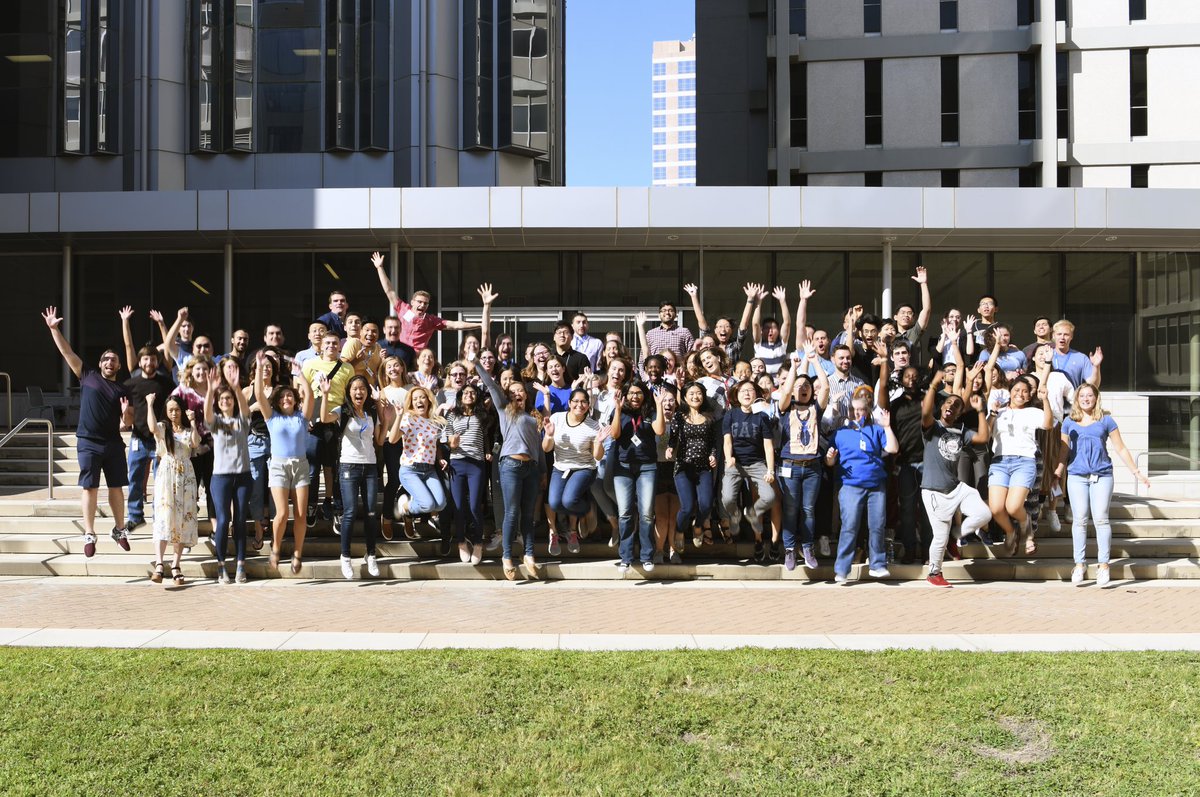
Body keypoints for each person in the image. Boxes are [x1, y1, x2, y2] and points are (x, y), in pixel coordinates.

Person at [42, 306, 134, 558]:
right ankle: (90, 533)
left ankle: (119, 529)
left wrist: (126, 415)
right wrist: (54, 329)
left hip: (113, 443)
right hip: (88, 442)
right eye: (106, 359)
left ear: (118, 366)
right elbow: (66, 351)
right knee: (89, 488)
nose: (110, 362)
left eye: (114, 360)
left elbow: (127, 422)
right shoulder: (87, 375)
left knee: (117, 487)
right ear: (100, 363)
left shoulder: (123, 391)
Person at [1060, 385, 1150, 587]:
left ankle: (1103, 565)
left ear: (1096, 397)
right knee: (1080, 519)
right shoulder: (1068, 422)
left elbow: (1120, 447)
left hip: (1102, 475)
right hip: (1076, 476)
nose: (1086, 399)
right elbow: (1063, 451)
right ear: (1076, 399)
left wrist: (1136, 472)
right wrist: (1058, 471)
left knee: (1101, 518)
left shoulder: (1106, 419)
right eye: (1082, 396)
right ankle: (1080, 564)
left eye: (1090, 395)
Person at [476, 356, 546, 580]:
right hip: (511, 465)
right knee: (512, 511)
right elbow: (490, 383)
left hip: (531, 467)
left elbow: (539, 448)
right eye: (513, 390)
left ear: (526, 394)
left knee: (528, 515)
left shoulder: (534, 418)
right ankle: (507, 556)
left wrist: (542, 470)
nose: (517, 393)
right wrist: (476, 362)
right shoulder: (505, 411)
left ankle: (529, 555)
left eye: (521, 390)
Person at [919, 374, 992, 587]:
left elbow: (983, 438)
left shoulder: (961, 431)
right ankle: (934, 573)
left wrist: (980, 410)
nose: (952, 405)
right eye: (948, 402)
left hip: (955, 487)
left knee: (984, 513)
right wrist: (933, 385)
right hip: (934, 491)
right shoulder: (933, 427)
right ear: (942, 408)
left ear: (960, 412)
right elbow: (925, 413)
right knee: (939, 537)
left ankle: (958, 533)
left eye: (957, 404)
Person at [317, 373, 390, 580]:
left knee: (370, 513)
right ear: (349, 392)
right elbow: (323, 418)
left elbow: (380, 440)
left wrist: (385, 416)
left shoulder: (371, 413)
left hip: (370, 467)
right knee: (349, 512)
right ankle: (345, 556)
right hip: (349, 466)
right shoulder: (343, 411)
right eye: (355, 389)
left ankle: (371, 554)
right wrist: (325, 394)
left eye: (363, 389)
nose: (359, 392)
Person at [827, 389, 899, 584]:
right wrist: (830, 459)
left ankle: (877, 565)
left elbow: (892, 448)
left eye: (860, 410)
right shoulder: (840, 433)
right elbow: (830, 462)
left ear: (867, 411)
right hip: (850, 485)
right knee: (849, 527)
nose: (857, 413)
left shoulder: (875, 430)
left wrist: (887, 426)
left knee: (877, 526)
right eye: (853, 409)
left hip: (876, 485)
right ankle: (842, 569)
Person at [255, 354, 314, 574]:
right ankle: (276, 548)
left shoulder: (302, 417)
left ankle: (298, 553)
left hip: (300, 466)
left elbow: (310, 396)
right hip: (279, 466)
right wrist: (261, 369)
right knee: (281, 514)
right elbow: (259, 395)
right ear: (278, 402)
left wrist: (300, 373)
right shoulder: (272, 417)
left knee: (300, 515)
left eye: (290, 395)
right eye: (283, 397)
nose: (287, 399)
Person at [776, 349, 830, 572]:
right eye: (799, 386)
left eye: (806, 386)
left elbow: (825, 387)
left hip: (812, 468)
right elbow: (787, 390)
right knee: (790, 509)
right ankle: (789, 549)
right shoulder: (785, 407)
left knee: (808, 509)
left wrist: (814, 360)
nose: (803, 388)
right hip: (789, 465)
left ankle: (807, 548)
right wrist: (795, 368)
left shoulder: (816, 408)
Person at [988, 376, 1054, 555]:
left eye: (1025, 391)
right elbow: (986, 433)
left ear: (1029, 395)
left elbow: (1048, 424)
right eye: (1016, 390)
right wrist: (992, 414)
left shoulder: (1032, 411)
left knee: (1013, 506)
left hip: (1024, 461)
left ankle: (1027, 526)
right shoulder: (998, 411)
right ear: (1010, 392)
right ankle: (1010, 532)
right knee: (995, 508)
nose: (1020, 394)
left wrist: (1045, 399)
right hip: (999, 462)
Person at [370, 252, 491, 350]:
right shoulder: (403, 309)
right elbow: (389, 291)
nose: (422, 305)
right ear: (412, 302)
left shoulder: (431, 320)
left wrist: (480, 324)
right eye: (420, 302)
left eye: (425, 303)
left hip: (418, 360)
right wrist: (379, 267)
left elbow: (453, 325)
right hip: (401, 353)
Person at [610, 382, 668, 573]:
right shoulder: (619, 411)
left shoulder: (650, 411)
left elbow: (659, 430)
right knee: (625, 513)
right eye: (631, 393)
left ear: (644, 395)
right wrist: (617, 410)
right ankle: (625, 557)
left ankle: (646, 556)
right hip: (623, 468)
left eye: (639, 393)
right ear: (625, 395)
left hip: (647, 467)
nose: (635, 396)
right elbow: (614, 434)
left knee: (645, 514)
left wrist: (659, 405)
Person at [203, 364, 253, 584]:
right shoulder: (216, 423)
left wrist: (235, 386)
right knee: (223, 520)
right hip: (221, 477)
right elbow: (206, 414)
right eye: (222, 399)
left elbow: (246, 409)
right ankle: (221, 566)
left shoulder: (241, 422)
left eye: (228, 399)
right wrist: (210, 391)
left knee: (240, 520)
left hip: (242, 475)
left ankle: (241, 564)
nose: (225, 402)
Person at [121, 340, 175, 533]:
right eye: (145, 359)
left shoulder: (166, 383)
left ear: (157, 361)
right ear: (140, 361)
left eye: (152, 359)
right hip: (138, 438)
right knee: (134, 478)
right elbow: (126, 413)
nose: (149, 362)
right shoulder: (130, 384)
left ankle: (159, 516)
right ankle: (135, 517)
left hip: (161, 439)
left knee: (161, 481)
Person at [543, 389, 605, 555]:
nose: (580, 405)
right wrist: (549, 436)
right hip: (560, 467)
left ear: (588, 404)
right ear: (569, 403)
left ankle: (586, 511)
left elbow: (597, 456)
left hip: (584, 468)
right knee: (555, 503)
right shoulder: (557, 419)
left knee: (569, 500)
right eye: (576, 401)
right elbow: (546, 448)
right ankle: (584, 510)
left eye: (584, 401)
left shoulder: (593, 426)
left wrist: (599, 442)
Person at [146, 394, 200, 586]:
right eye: (170, 410)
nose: (174, 413)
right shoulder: (163, 428)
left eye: (176, 409)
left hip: (185, 476)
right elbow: (152, 427)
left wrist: (193, 422)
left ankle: (176, 565)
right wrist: (150, 404)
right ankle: (160, 563)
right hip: (167, 475)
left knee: (182, 520)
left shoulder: (186, 430)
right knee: (163, 516)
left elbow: (195, 442)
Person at [722, 379, 778, 561]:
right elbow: (727, 441)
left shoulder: (762, 417)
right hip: (735, 464)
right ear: (736, 396)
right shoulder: (730, 415)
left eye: (751, 391)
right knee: (728, 499)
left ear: (756, 394)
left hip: (756, 464)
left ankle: (753, 512)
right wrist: (729, 456)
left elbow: (768, 446)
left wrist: (770, 470)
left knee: (769, 497)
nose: (747, 394)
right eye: (743, 391)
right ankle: (736, 515)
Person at [301, 331, 353, 526]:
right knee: (313, 468)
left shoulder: (347, 368)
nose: (331, 346)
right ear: (321, 346)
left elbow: (349, 396)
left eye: (334, 343)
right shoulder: (310, 364)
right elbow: (302, 393)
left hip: (335, 420)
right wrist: (305, 418)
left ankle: (333, 504)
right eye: (328, 343)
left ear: (340, 346)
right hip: (313, 421)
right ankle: (311, 504)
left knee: (334, 467)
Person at [444, 383, 495, 563]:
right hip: (456, 463)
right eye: (466, 392)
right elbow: (446, 440)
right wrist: (453, 444)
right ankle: (461, 542)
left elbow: (487, 436)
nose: (469, 395)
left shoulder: (483, 416)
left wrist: (488, 450)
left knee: (474, 505)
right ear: (460, 396)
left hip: (476, 464)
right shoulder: (451, 416)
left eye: (473, 393)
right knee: (458, 506)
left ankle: (478, 543)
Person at [1050, 319, 1103, 389]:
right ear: (1053, 336)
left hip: (1073, 399)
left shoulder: (1081, 358)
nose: (1062, 337)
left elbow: (1093, 385)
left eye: (1066, 335)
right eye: (1059, 334)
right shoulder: (1047, 356)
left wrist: (1096, 366)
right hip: (1049, 399)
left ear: (1071, 336)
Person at [751, 285, 792, 376]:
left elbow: (787, 323)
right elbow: (755, 324)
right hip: (762, 383)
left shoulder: (782, 343)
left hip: (779, 385)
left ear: (778, 330)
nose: (770, 330)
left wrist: (782, 301)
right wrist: (759, 301)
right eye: (767, 328)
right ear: (761, 330)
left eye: (773, 328)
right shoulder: (759, 344)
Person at [894, 266, 932, 347]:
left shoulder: (914, 332)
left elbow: (926, 310)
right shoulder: (890, 335)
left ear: (913, 318)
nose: (906, 315)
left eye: (909, 313)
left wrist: (923, 284)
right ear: (895, 317)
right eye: (903, 313)